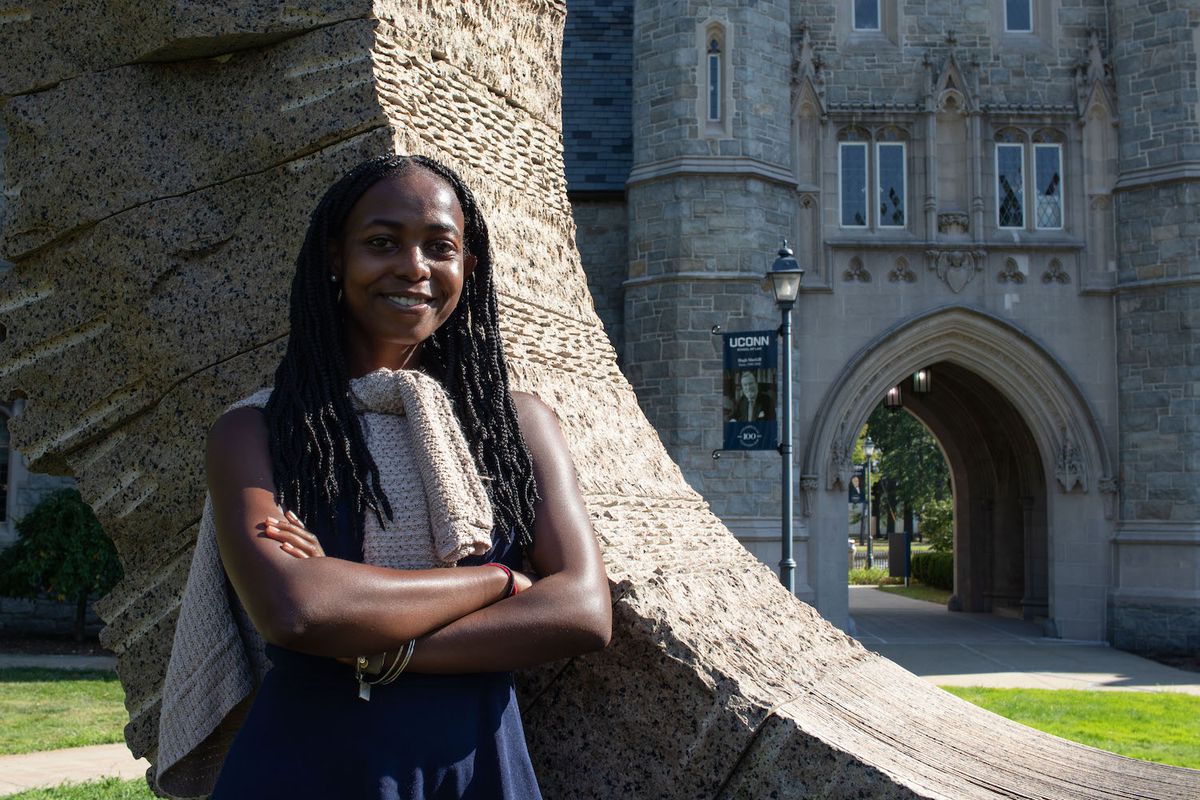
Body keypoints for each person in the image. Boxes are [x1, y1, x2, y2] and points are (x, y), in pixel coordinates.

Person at [158, 155, 611, 799]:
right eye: (381, 243)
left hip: (478, 771)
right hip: (307, 771)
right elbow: (300, 610)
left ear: (468, 269)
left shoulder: (520, 425)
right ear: (336, 259)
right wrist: (502, 581)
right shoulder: (255, 433)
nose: (414, 267)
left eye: (440, 247)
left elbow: (583, 611)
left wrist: (381, 646)